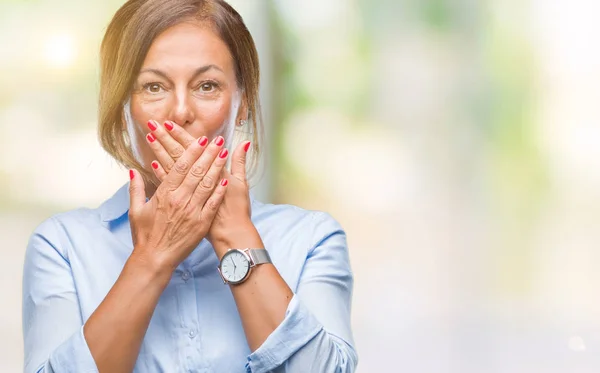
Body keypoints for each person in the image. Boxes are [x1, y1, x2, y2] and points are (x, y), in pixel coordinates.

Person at [22, 0, 357, 372]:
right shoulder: (62, 247)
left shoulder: (312, 239)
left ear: (242, 104)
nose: (180, 111)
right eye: (153, 87)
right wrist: (150, 260)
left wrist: (235, 236)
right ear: (122, 107)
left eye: (207, 85)